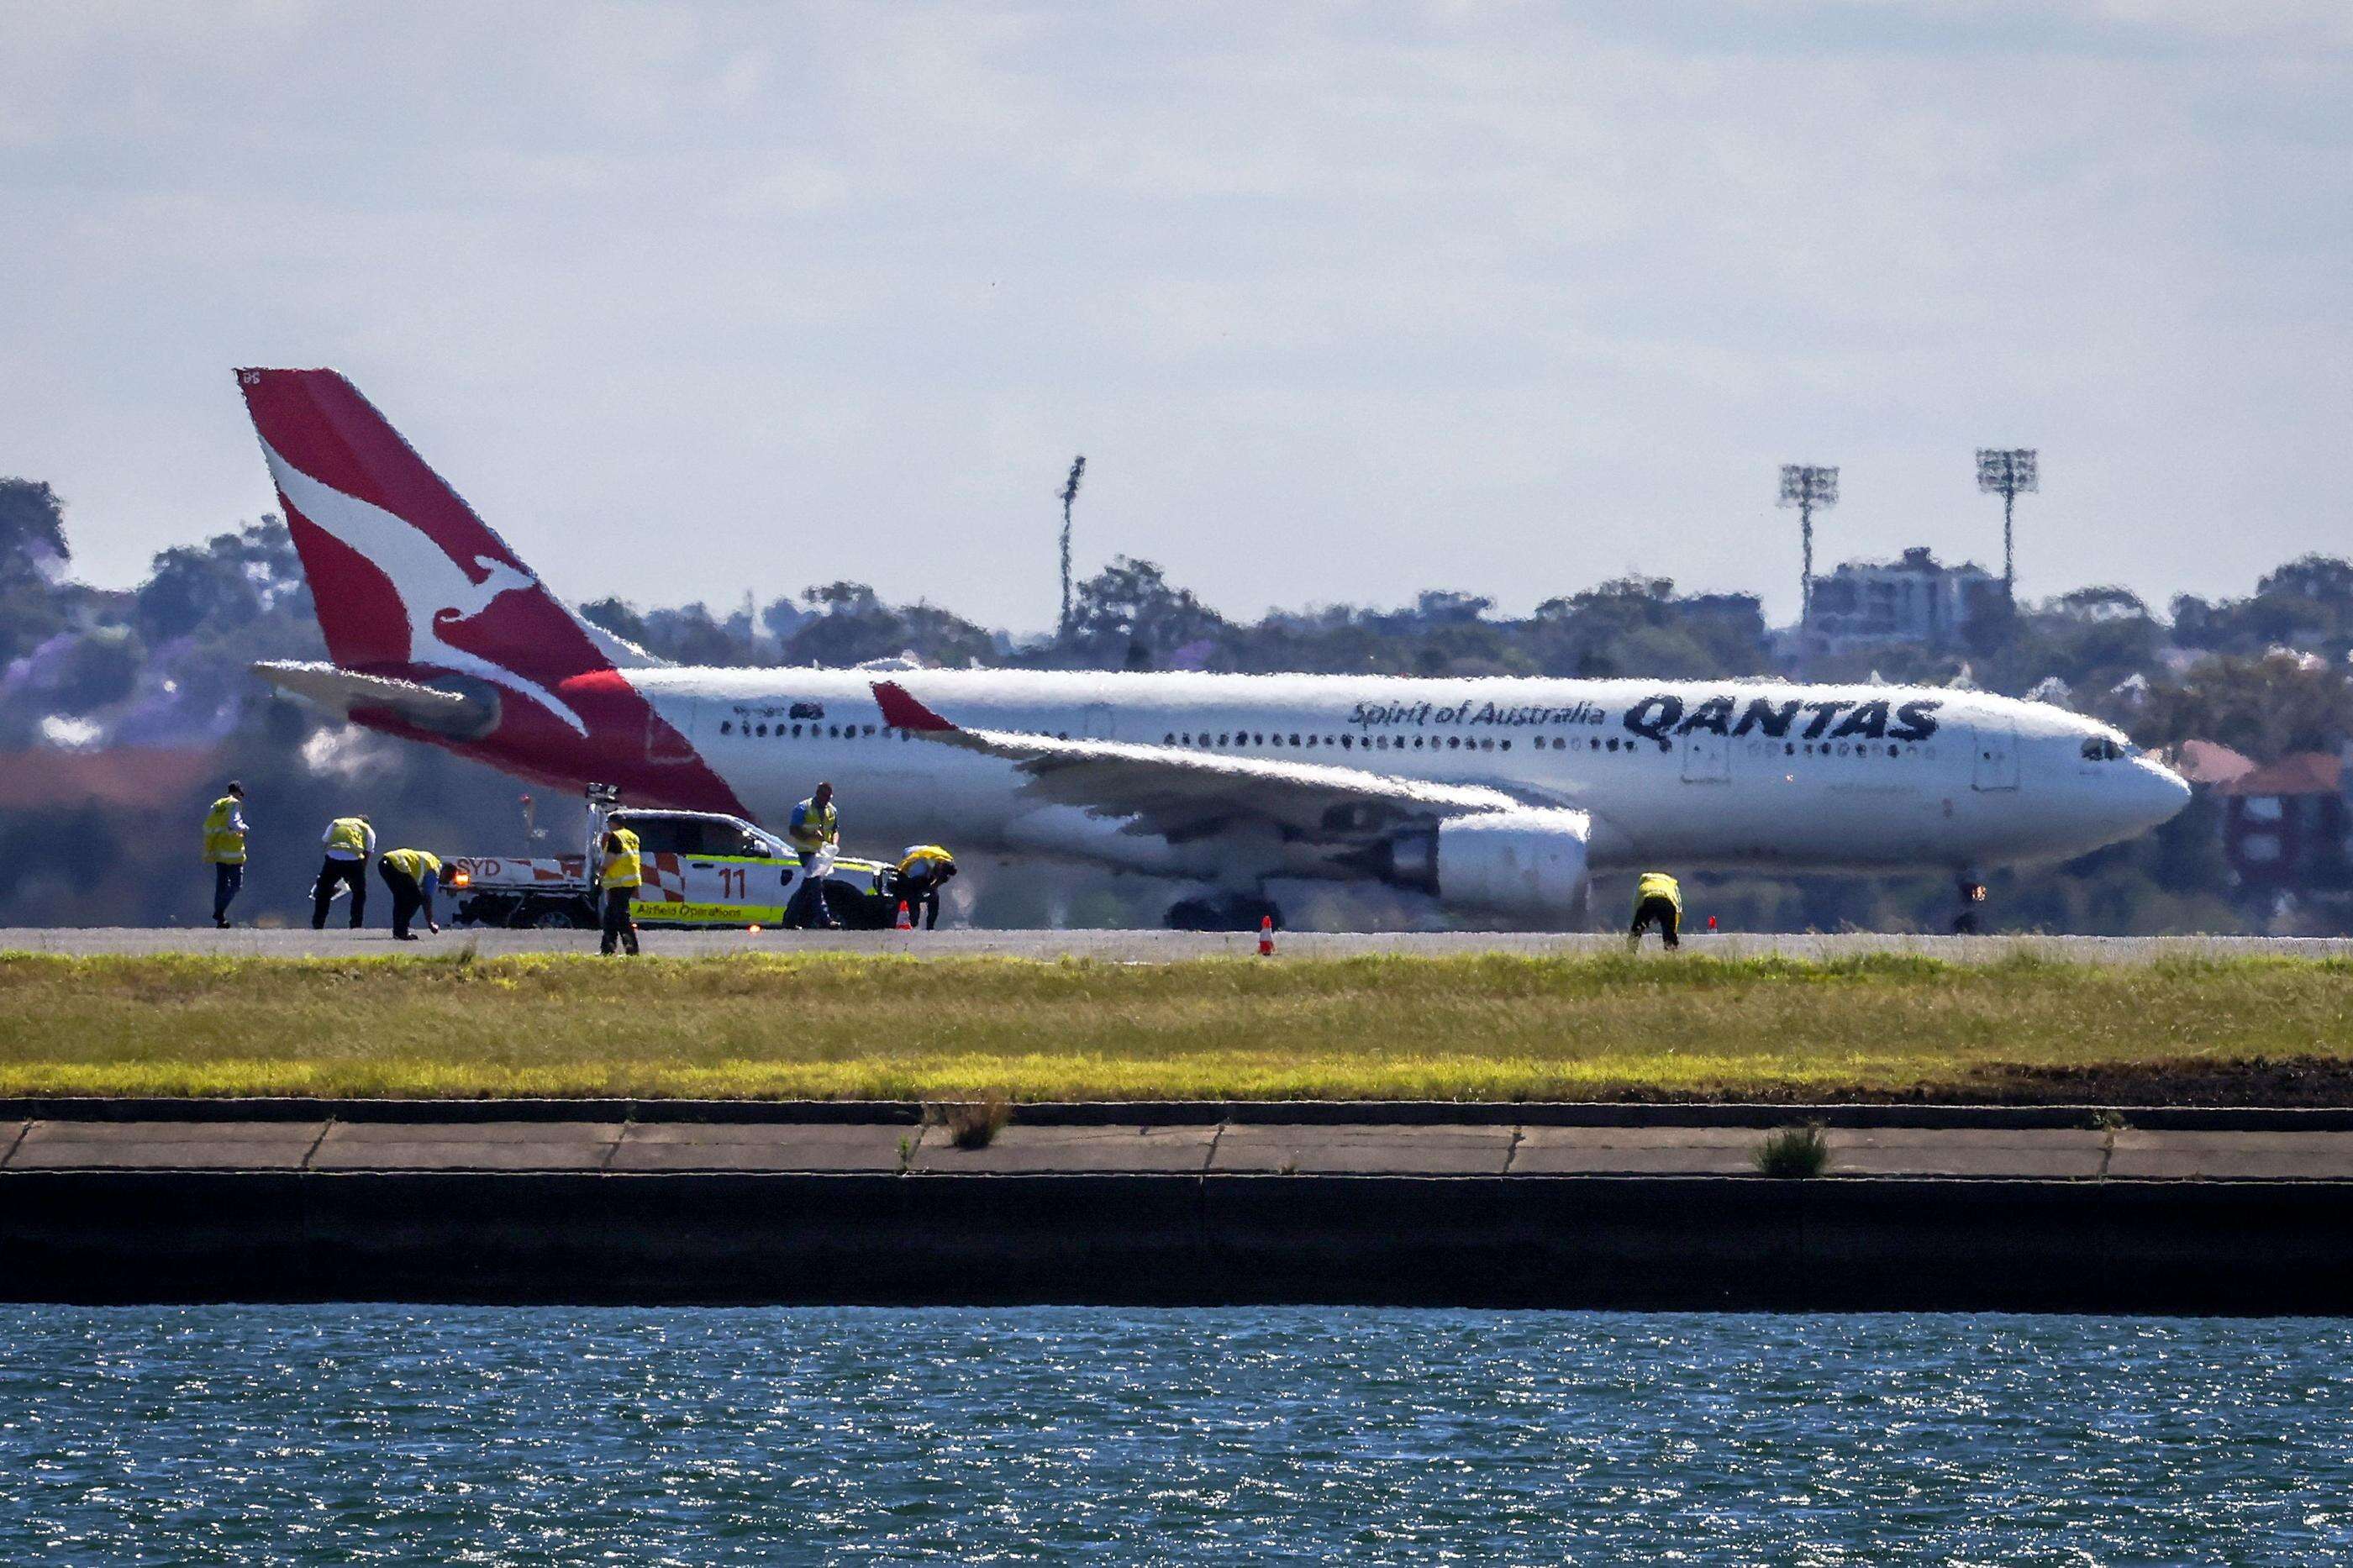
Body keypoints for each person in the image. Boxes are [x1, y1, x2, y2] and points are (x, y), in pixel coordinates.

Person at [783, 781, 840, 929]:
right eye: (824, 796)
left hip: (822, 853)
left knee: (807, 887)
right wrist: (811, 835)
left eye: (829, 796)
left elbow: (834, 830)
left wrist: (834, 843)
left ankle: (789, 920)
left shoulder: (832, 810)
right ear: (818, 793)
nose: (826, 799)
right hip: (806, 851)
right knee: (816, 884)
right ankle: (825, 919)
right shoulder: (803, 808)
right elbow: (794, 830)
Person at [312, 813, 376, 930]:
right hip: (353, 860)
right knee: (359, 893)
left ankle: (318, 924)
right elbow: (367, 853)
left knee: (324, 891)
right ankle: (356, 924)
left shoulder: (337, 822)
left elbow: (325, 840)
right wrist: (361, 874)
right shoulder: (367, 829)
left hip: (333, 858)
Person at [202, 782, 248, 928]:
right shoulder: (233, 804)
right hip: (233, 853)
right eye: (241, 795)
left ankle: (220, 919)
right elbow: (234, 823)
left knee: (221, 886)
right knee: (235, 885)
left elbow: (209, 826)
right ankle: (219, 911)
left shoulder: (216, 805)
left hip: (219, 851)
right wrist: (245, 828)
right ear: (237, 792)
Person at [377, 848, 443, 941]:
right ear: (446, 872)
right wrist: (430, 923)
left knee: (400, 898)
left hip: (384, 863)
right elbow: (426, 898)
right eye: (447, 879)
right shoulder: (434, 870)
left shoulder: (430, 859)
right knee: (416, 898)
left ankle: (398, 932)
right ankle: (402, 931)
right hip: (398, 864)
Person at [599, 823, 642, 956]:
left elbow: (611, 857)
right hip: (630, 880)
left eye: (608, 822)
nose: (608, 825)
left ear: (613, 823)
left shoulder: (616, 837)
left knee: (620, 917)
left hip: (619, 881)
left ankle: (632, 950)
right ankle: (608, 949)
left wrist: (602, 871)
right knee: (611, 916)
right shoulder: (632, 836)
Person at [894, 844, 957, 930]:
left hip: (929, 858)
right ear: (940, 865)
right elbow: (905, 865)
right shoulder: (920, 866)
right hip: (912, 853)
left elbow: (939, 881)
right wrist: (901, 871)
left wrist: (932, 888)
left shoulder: (948, 862)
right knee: (915, 889)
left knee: (934, 897)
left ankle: (930, 926)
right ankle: (913, 919)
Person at [1628, 871, 1682, 951]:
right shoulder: (1672, 882)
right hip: (1667, 903)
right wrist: (1674, 929)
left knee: (1635, 932)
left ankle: (1630, 953)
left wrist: (1636, 921)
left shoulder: (1644, 879)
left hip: (1649, 901)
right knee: (1669, 935)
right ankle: (1671, 955)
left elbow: (1636, 901)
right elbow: (1678, 907)